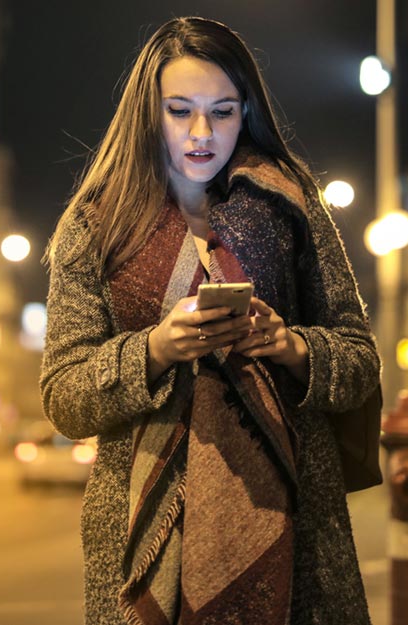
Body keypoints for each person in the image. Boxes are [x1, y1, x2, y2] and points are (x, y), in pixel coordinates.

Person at [41, 17, 380, 625]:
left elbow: (359, 360)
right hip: (145, 542)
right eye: (180, 111)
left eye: (222, 112)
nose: (202, 133)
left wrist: (290, 345)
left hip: (297, 531)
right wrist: (155, 350)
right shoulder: (95, 226)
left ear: (245, 111)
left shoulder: (289, 204)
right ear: (150, 113)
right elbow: (65, 397)